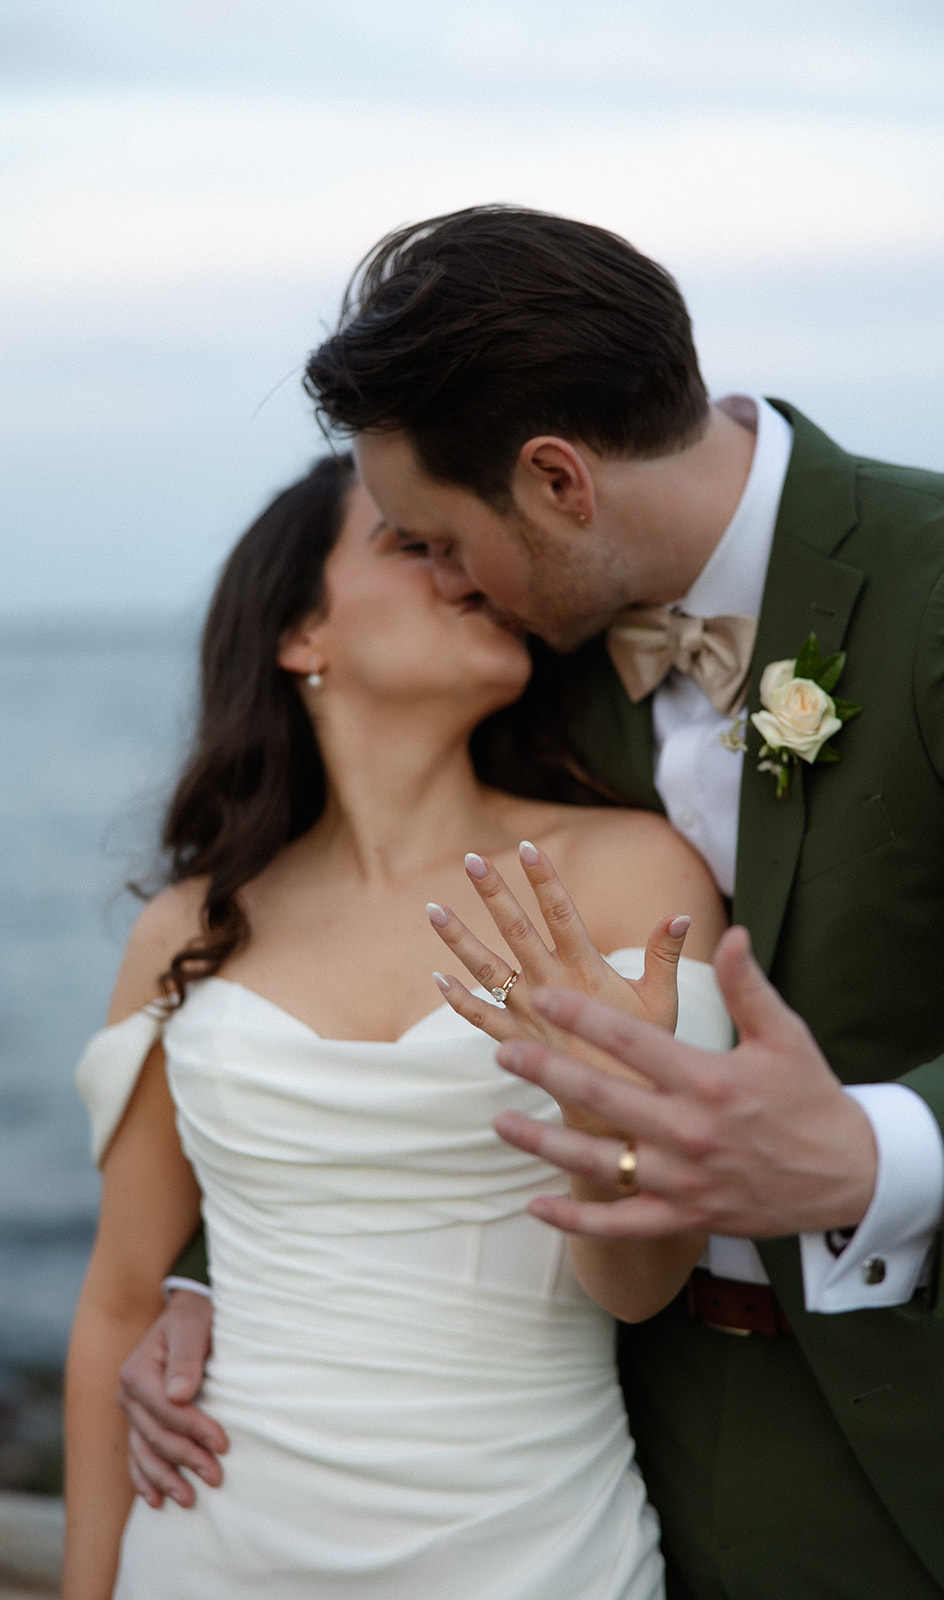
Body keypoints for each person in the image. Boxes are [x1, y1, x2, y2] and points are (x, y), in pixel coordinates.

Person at [118, 207, 944, 1598]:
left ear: (557, 480)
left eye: (439, 540)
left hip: (932, 1437)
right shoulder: (537, 646)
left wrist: (866, 1155)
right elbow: (358, 980)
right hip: (620, 1438)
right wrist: (210, 1276)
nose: (446, 586)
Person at [64, 451, 731, 1599]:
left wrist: (595, 1117)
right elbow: (119, 1297)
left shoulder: (624, 876)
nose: (466, 571)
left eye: (463, 542)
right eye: (409, 544)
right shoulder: (190, 927)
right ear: (299, 635)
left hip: (532, 1552)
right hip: (209, 1542)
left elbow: (644, 1284)